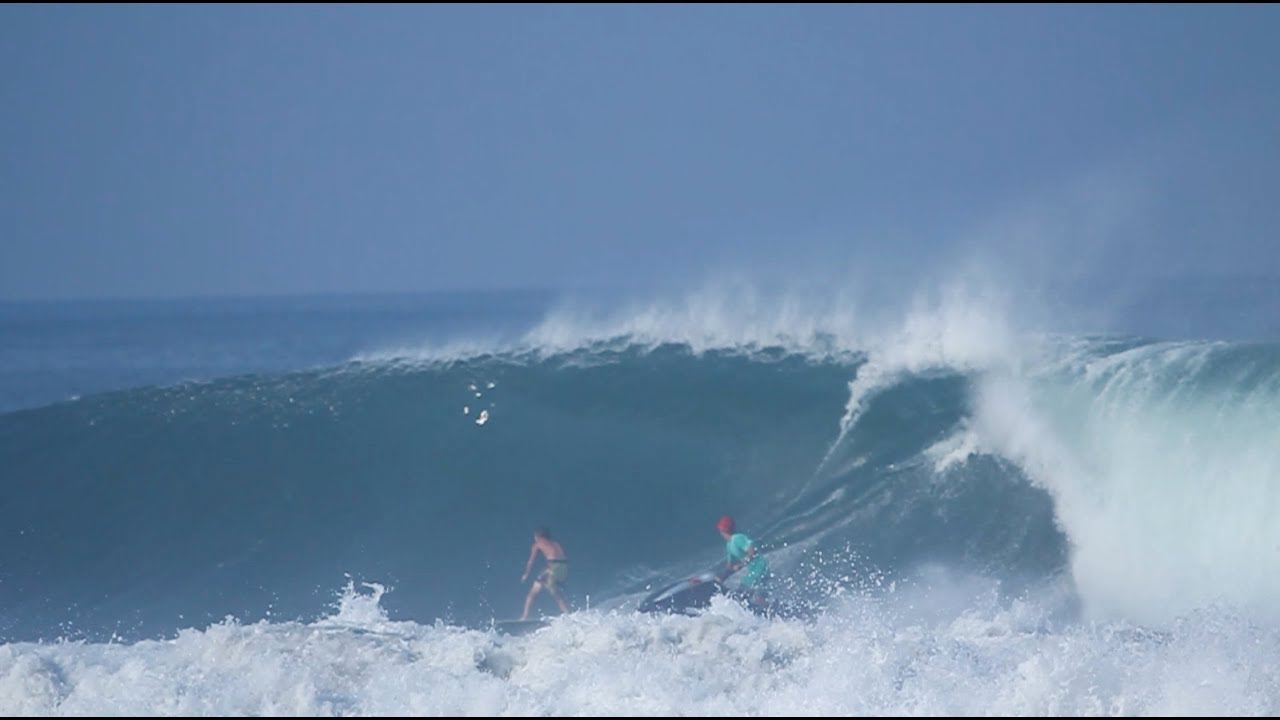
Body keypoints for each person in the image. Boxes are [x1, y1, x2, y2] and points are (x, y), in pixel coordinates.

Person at [715, 515, 769, 610]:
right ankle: (765, 610)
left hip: (760, 569)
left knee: (743, 594)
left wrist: (742, 564)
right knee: (752, 597)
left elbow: (752, 551)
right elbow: (729, 566)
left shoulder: (738, 538)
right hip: (754, 571)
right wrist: (720, 578)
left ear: (722, 530)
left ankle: (769, 611)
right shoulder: (729, 545)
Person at [520, 526, 570, 620]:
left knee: (532, 593)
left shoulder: (537, 543)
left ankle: (524, 617)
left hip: (553, 568)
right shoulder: (555, 543)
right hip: (564, 568)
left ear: (537, 536)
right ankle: (568, 614)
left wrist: (526, 574)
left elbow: (531, 561)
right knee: (554, 592)